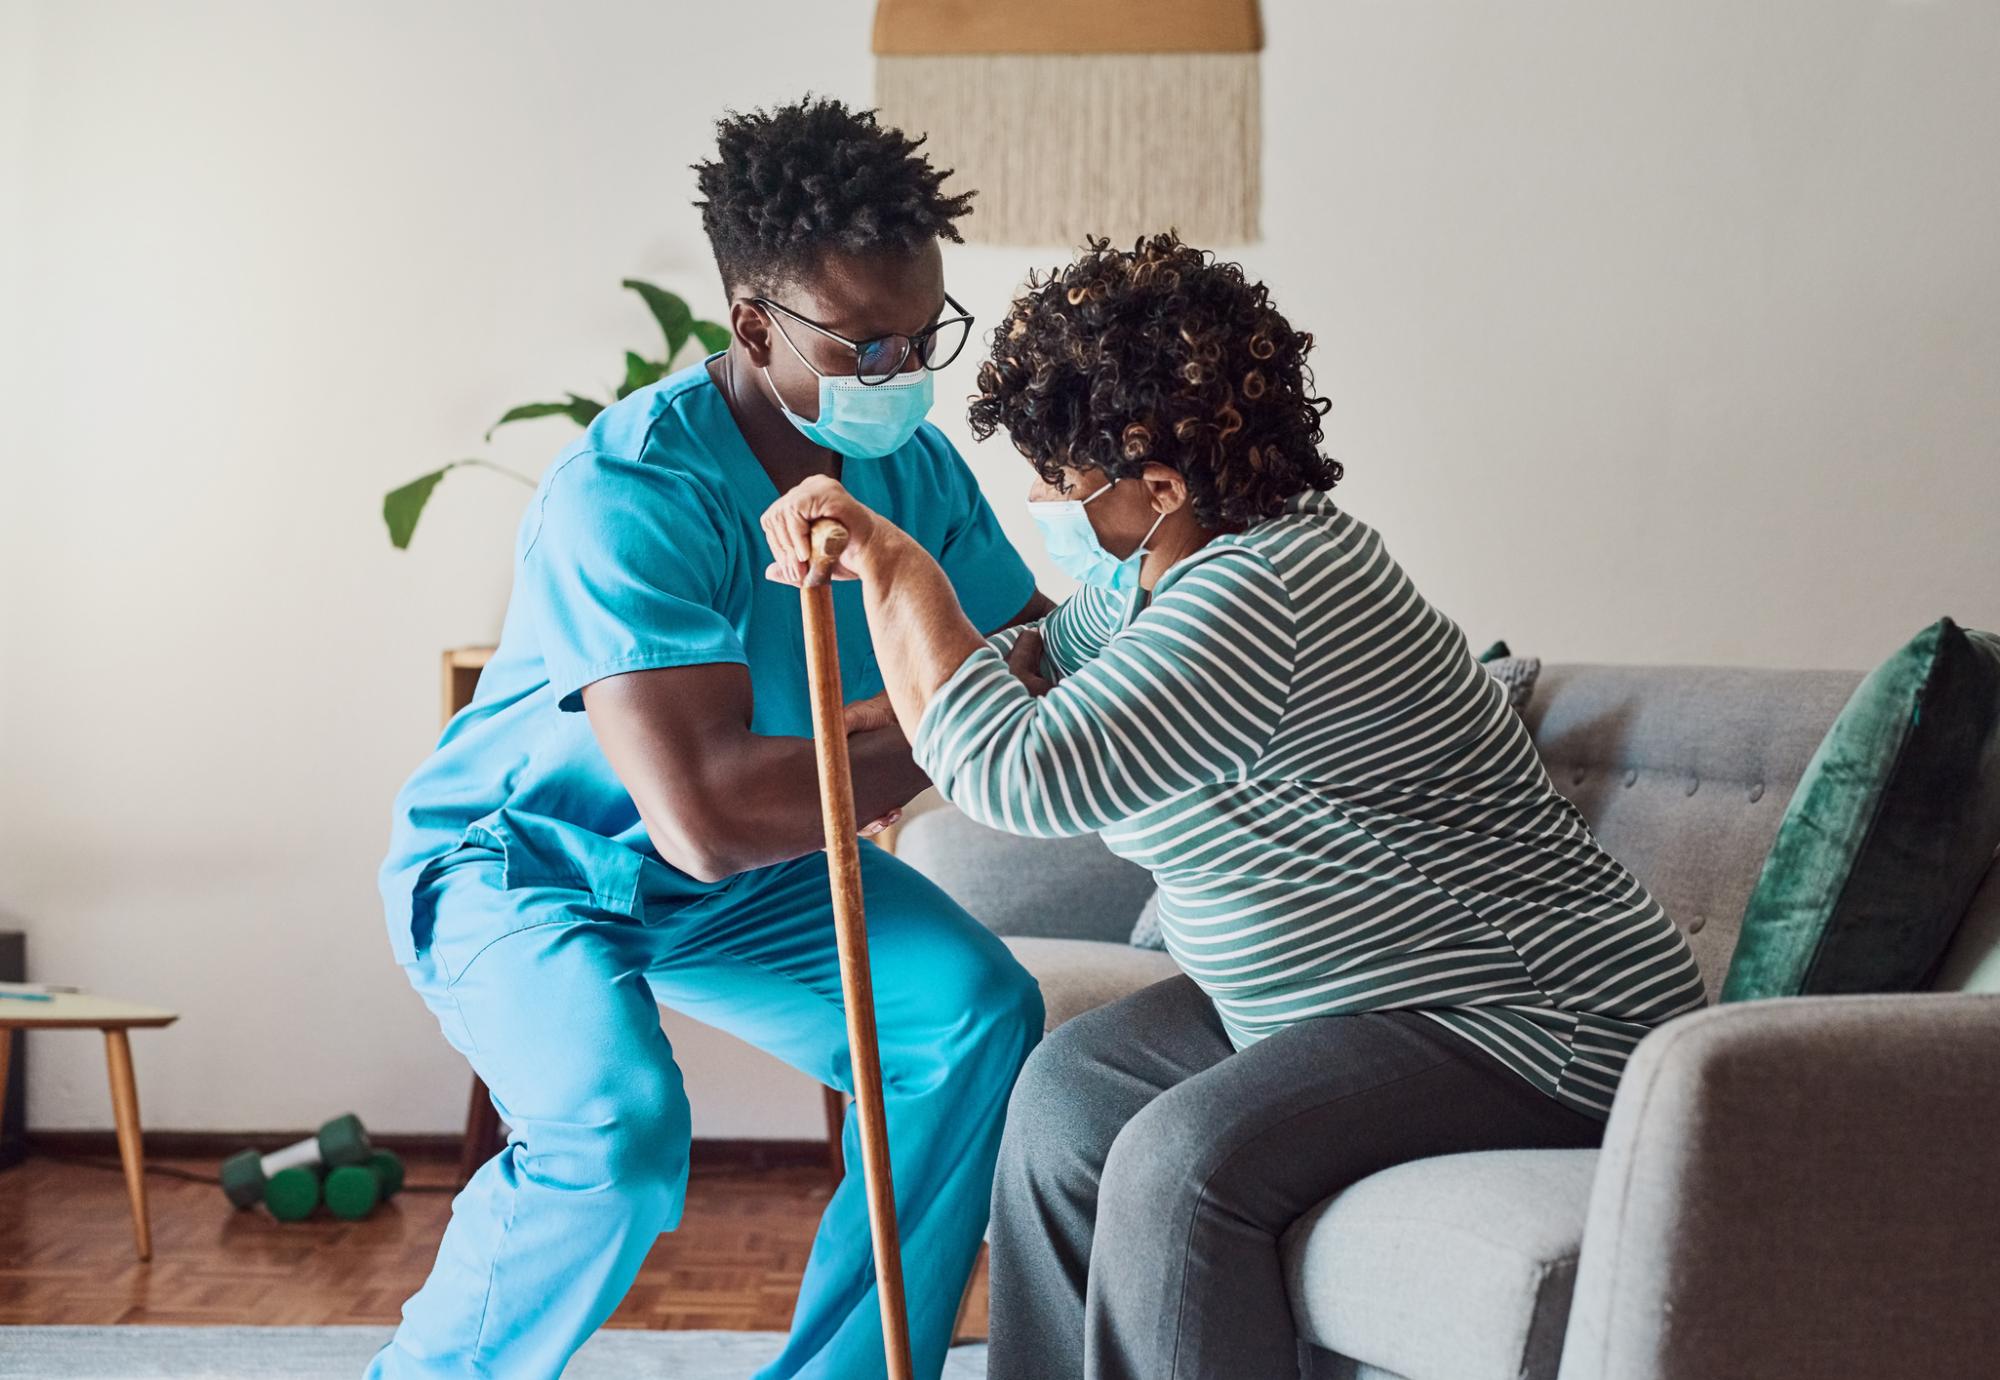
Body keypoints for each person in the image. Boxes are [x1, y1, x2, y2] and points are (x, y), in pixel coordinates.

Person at [760, 232, 1709, 1380]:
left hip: (1523, 1021)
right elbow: (1044, 657)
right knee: (1064, 1098)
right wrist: (892, 706)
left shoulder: (1266, 590)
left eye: (1063, 482)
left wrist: (898, 569)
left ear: (1160, 483)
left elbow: (1019, 774)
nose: (1044, 503)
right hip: (1342, 1004)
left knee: (1179, 1163)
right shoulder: (1164, 571)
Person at [373, 98, 1049, 1380]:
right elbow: (708, 811)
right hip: (527, 866)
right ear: (753, 327)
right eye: (863, 348)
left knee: (971, 1017)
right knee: (618, 1138)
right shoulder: (634, 491)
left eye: (924, 337)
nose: (900, 374)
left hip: (736, 888)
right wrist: (948, 722)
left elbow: (1036, 646)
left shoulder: (915, 474)